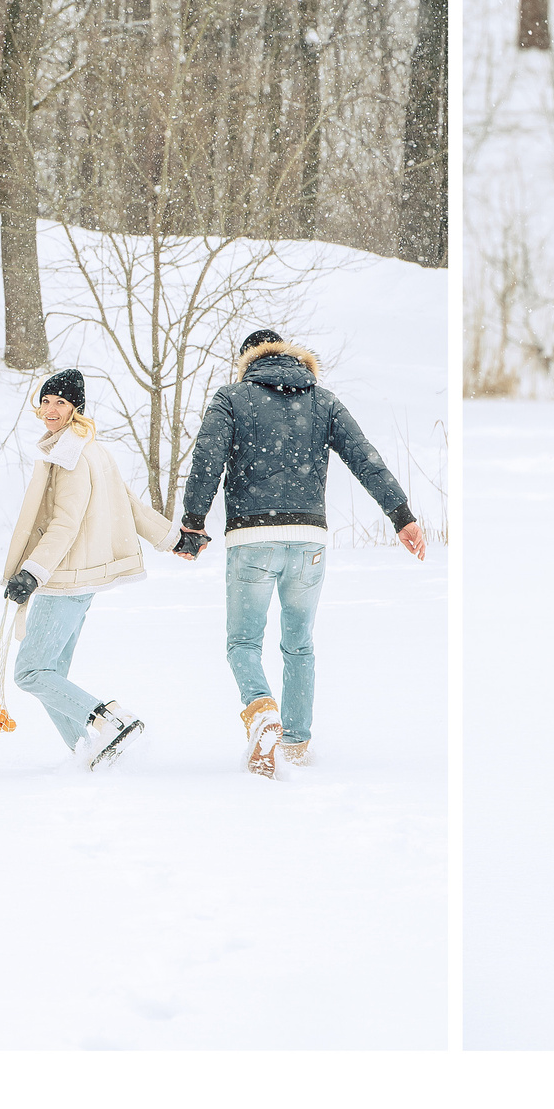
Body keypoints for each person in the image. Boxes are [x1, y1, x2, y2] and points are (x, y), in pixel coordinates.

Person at [176, 330, 424, 779]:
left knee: (243, 643)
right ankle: (295, 743)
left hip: (252, 538)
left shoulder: (232, 398)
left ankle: (261, 711)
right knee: (300, 643)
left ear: (247, 361)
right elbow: (365, 458)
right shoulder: (323, 400)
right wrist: (401, 514)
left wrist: (194, 522)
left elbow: (207, 460)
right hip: (309, 539)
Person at [0, 369, 181, 771]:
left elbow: (65, 522)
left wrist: (32, 572)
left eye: (60, 403)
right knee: (53, 678)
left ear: (75, 409)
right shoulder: (92, 449)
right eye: (46, 400)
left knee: (30, 673)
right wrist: (172, 538)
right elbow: (129, 504)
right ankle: (90, 753)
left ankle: (111, 721)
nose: (50, 409)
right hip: (81, 580)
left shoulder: (70, 455)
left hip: (63, 578)